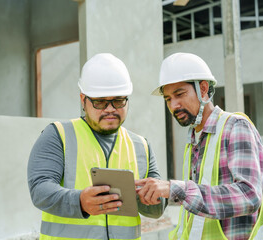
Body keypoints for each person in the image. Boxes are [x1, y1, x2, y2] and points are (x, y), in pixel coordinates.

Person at [135, 53, 263, 240]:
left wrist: (175, 188)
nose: (174, 105)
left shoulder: (235, 127)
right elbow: (195, 216)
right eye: (168, 99)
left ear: (203, 89)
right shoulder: (193, 143)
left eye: (180, 94)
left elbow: (249, 196)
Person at [28, 53, 165, 240]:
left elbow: (156, 209)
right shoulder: (58, 135)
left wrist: (154, 197)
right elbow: (40, 190)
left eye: (118, 100)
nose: (110, 108)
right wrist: (79, 202)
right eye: (100, 101)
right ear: (83, 100)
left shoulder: (141, 146)